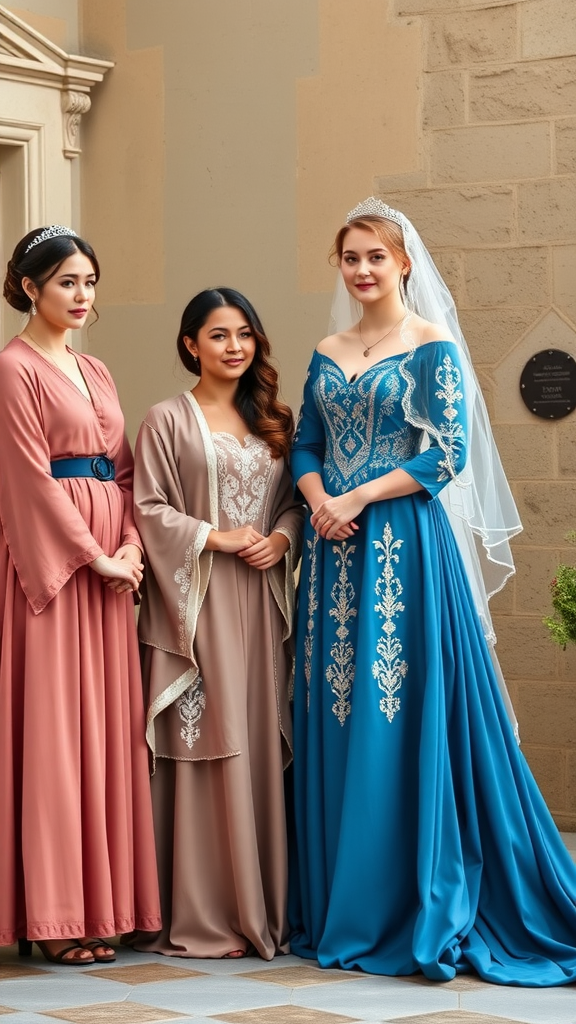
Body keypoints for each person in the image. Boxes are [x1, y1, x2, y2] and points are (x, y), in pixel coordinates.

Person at [288, 197, 576, 985]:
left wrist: (355, 499)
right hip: (333, 552)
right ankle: (345, 898)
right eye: (350, 258)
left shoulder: (431, 346)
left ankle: (407, 900)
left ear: (404, 262)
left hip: (404, 551)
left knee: (402, 708)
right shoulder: (326, 348)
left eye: (375, 256)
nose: (362, 270)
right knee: (337, 709)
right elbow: (306, 444)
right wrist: (318, 499)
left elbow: (446, 454)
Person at [0, 225, 161, 965]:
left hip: (107, 571)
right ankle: (58, 914)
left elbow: (122, 471)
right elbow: (27, 478)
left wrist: (129, 546)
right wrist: (94, 556)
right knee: (58, 737)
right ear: (29, 287)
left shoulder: (98, 371)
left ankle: (109, 908)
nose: (81, 295)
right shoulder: (12, 369)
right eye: (66, 281)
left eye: (89, 282)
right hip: (56, 572)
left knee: (106, 734)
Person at [132, 287, 303, 959]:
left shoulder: (274, 422)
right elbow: (147, 508)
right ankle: (204, 911)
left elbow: (292, 503)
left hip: (260, 607)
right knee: (209, 743)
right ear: (190, 345)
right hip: (196, 604)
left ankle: (261, 906)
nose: (235, 346)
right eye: (219, 334)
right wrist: (214, 536)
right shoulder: (166, 420)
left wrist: (282, 541)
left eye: (245, 334)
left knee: (257, 742)